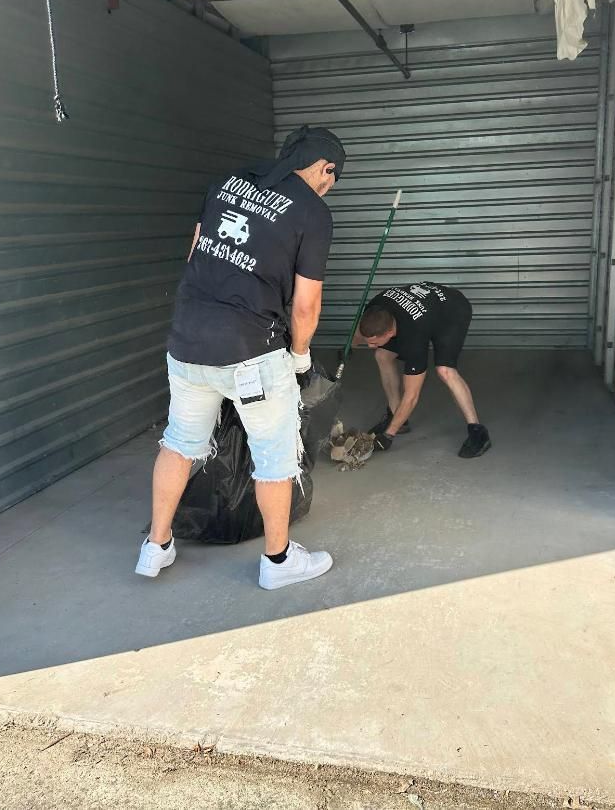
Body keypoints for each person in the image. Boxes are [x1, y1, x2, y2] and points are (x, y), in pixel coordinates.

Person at [135, 126, 345, 590]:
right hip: (252, 351)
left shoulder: (227, 183)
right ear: (324, 168)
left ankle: (156, 546)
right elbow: (306, 305)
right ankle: (278, 561)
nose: (330, 187)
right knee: (274, 456)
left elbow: (195, 251)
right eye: (334, 179)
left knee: (179, 443)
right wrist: (301, 356)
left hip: (187, 341)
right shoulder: (312, 210)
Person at [355, 282, 491, 458]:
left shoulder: (413, 337)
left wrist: (389, 435)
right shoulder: (375, 308)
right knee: (382, 355)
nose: (370, 346)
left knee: (445, 370)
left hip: (451, 312)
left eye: (374, 341)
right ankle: (397, 415)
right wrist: (349, 347)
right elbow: (360, 334)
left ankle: (478, 432)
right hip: (426, 309)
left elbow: (412, 396)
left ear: (389, 333)